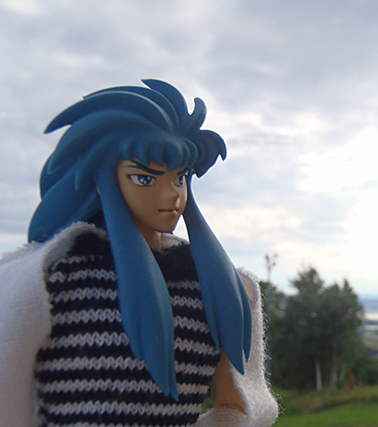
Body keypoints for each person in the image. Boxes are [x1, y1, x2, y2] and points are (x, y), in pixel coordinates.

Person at [0, 80, 278, 426]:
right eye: (145, 178)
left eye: (180, 178)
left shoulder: (215, 288)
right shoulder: (52, 282)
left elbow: (235, 405)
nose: (172, 195)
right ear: (102, 180)